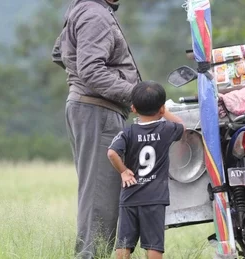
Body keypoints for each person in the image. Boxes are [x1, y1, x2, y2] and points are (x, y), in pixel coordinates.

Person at [51, 0, 141, 258]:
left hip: (92, 108)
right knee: (100, 199)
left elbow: (59, 54)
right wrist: (135, 94)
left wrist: (77, 80)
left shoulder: (85, 9)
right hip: (98, 110)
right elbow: (90, 69)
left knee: (101, 195)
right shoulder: (95, 14)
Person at [107, 81, 186, 259]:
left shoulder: (128, 132)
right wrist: (165, 113)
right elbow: (182, 126)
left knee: (124, 243)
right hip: (155, 198)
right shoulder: (167, 129)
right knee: (154, 244)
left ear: (133, 108)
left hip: (130, 196)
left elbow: (112, 153)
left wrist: (124, 171)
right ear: (161, 108)